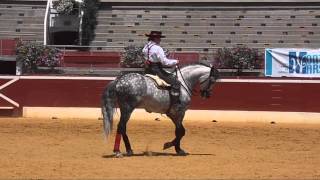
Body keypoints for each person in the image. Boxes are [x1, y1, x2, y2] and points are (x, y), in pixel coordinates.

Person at [142, 31, 181, 108]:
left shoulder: (146, 47)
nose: (160, 40)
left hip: (148, 70)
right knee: (176, 83)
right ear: (155, 38)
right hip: (157, 70)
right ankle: (174, 104)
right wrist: (175, 61)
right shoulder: (158, 48)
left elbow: (145, 57)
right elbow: (165, 62)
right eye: (159, 38)